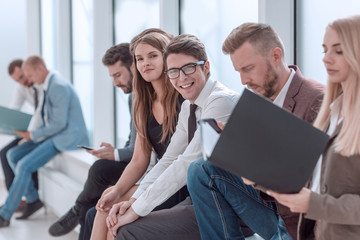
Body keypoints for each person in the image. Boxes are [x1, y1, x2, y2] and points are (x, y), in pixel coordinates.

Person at [187, 22, 325, 240]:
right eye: (238, 72)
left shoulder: (316, 100)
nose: (243, 81)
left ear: (276, 56)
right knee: (201, 169)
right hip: (273, 205)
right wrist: (235, 149)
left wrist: (249, 161)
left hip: (300, 221)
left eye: (248, 69)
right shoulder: (261, 100)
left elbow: (318, 186)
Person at [101, 33, 240, 240]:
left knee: (127, 229)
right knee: (115, 218)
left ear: (206, 67)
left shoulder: (219, 101)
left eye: (189, 68)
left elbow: (186, 162)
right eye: (174, 71)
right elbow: (168, 159)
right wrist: (134, 200)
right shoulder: (188, 107)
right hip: (201, 199)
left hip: (227, 207)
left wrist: (137, 209)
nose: (181, 78)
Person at [88, 28, 186, 240]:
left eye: (153, 56)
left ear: (167, 57)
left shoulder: (182, 97)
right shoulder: (142, 103)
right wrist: (116, 190)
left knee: (117, 221)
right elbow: (139, 159)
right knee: (105, 207)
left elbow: (178, 163)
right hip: (158, 179)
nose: (145, 63)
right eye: (140, 59)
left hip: (180, 184)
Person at [269, 15, 360, 240]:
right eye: (324, 50)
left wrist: (315, 203)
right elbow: (316, 178)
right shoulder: (331, 111)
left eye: (338, 51)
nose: (326, 59)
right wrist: (259, 174)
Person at [48, 43, 137, 240]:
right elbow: (133, 142)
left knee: (99, 171)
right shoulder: (134, 98)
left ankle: (76, 210)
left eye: (117, 75)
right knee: (94, 197)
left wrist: (115, 154)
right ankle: (78, 209)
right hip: (138, 160)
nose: (115, 82)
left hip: (148, 168)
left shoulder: (147, 98)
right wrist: (115, 152)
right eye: (112, 76)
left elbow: (143, 151)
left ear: (133, 67)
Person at [0, 56, 89, 227]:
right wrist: (31, 134)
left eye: (30, 76)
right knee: (12, 154)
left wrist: (33, 135)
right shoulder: (48, 85)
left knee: (24, 165)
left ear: (40, 69)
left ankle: (5, 214)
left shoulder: (57, 87)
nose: (30, 80)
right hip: (53, 134)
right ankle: (33, 200)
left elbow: (59, 123)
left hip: (66, 136)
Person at [1, 59, 41, 210]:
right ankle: (15, 200)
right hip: (31, 129)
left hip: (41, 132)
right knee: (4, 153)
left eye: (22, 77)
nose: (22, 81)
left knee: (19, 155)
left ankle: (31, 197)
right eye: (17, 80)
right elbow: (14, 110)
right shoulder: (21, 87)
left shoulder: (41, 84)